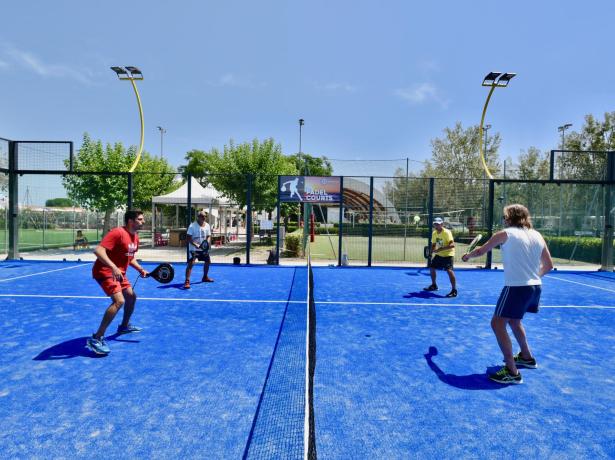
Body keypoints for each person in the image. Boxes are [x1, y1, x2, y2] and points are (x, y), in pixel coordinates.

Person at [462, 204, 553, 384]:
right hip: (535, 287)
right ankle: (526, 357)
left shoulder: (505, 234)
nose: (504, 219)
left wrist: (467, 257)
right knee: (514, 321)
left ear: (509, 218)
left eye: (505, 217)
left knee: (497, 323)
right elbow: (548, 265)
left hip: (516, 288)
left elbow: (481, 250)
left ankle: (512, 371)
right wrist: (532, 277)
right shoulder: (537, 235)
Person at [87, 210, 149, 355]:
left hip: (119, 273)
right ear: (130, 221)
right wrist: (113, 267)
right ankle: (97, 338)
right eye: (140, 219)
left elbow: (129, 257)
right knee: (119, 301)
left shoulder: (135, 238)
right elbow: (98, 251)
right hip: (105, 271)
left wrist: (140, 269)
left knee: (131, 296)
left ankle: (124, 326)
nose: (143, 221)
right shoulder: (117, 233)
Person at [424, 217, 457, 297]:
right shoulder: (434, 233)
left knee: (449, 271)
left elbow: (452, 245)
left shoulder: (447, 232)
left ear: (442, 224)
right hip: (439, 254)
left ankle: (454, 290)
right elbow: (434, 244)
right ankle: (434, 285)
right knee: (432, 268)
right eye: (435, 224)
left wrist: (440, 249)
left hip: (448, 254)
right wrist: (431, 252)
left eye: (438, 224)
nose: (436, 225)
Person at [184, 210, 214, 289]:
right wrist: (195, 244)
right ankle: (187, 281)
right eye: (201, 216)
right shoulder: (192, 226)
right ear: (198, 217)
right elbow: (188, 238)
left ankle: (205, 277)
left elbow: (208, 236)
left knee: (208, 261)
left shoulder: (207, 225)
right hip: (193, 249)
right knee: (191, 263)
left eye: (204, 216)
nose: (203, 218)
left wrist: (206, 242)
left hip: (203, 249)